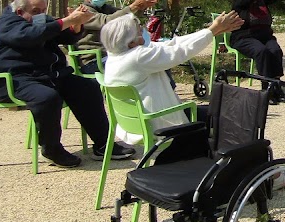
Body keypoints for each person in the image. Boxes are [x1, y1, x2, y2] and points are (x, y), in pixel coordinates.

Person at [0, 0, 136, 168]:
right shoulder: (8, 22)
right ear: (20, 12)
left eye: (43, 10)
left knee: (88, 88)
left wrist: (77, 25)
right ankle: (52, 149)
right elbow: (29, 36)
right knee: (46, 98)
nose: (41, 15)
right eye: (36, 11)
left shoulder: (40, 20)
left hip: (48, 76)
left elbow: (64, 36)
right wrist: (68, 20)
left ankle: (103, 144)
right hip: (16, 79)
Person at [100, 9, 244, 145]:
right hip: (160, 124)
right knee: (230, 112)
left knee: (215, 111)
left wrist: (212, 31)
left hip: (138, 124)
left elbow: (171, 45)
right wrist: (212, 29)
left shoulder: (115, 57)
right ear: (131, 42)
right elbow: (180, 52)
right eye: (140, 30)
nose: (144, 31)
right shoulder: (138, 57)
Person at [73, 0, 161, 71]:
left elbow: (127, 19)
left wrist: (141, 7)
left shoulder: (106, 8)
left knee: (154, 59)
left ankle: (167, 85)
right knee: (142, 63)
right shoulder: (82, 12)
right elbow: (108, 22)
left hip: (113, 56)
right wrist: (134, 6)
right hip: (93, 61)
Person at [230, 0, 285, 98]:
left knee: (275, 50)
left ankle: (276, 85)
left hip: (265, 36)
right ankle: (266, 87)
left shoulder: (261, 0)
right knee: (261, 51)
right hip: (244, 37)